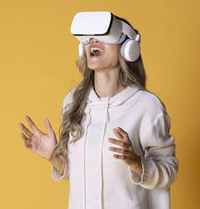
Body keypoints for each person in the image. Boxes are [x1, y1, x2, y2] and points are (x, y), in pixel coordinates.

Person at [18, 13, 178, 209]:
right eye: (89, 38)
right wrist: (53, 156)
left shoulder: (146, 106)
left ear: (129, 48)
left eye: (104, 36)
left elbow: (169, 171)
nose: (93, 41)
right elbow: (84, 177)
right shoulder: (73, 101)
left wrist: (136, 162)